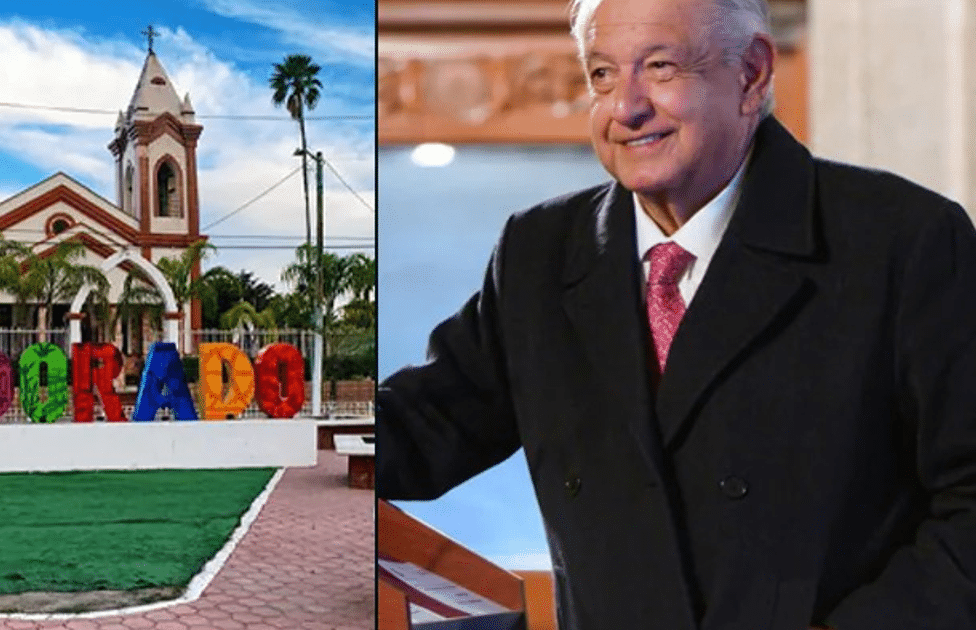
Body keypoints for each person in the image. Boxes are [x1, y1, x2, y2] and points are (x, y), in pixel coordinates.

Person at [375, 0, 976, 628]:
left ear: (751, 74)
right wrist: (306, 439)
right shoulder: (538, 253)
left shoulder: (904, 241)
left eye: (660, 68)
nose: (625, 107)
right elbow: (425, 427)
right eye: (602, 74)